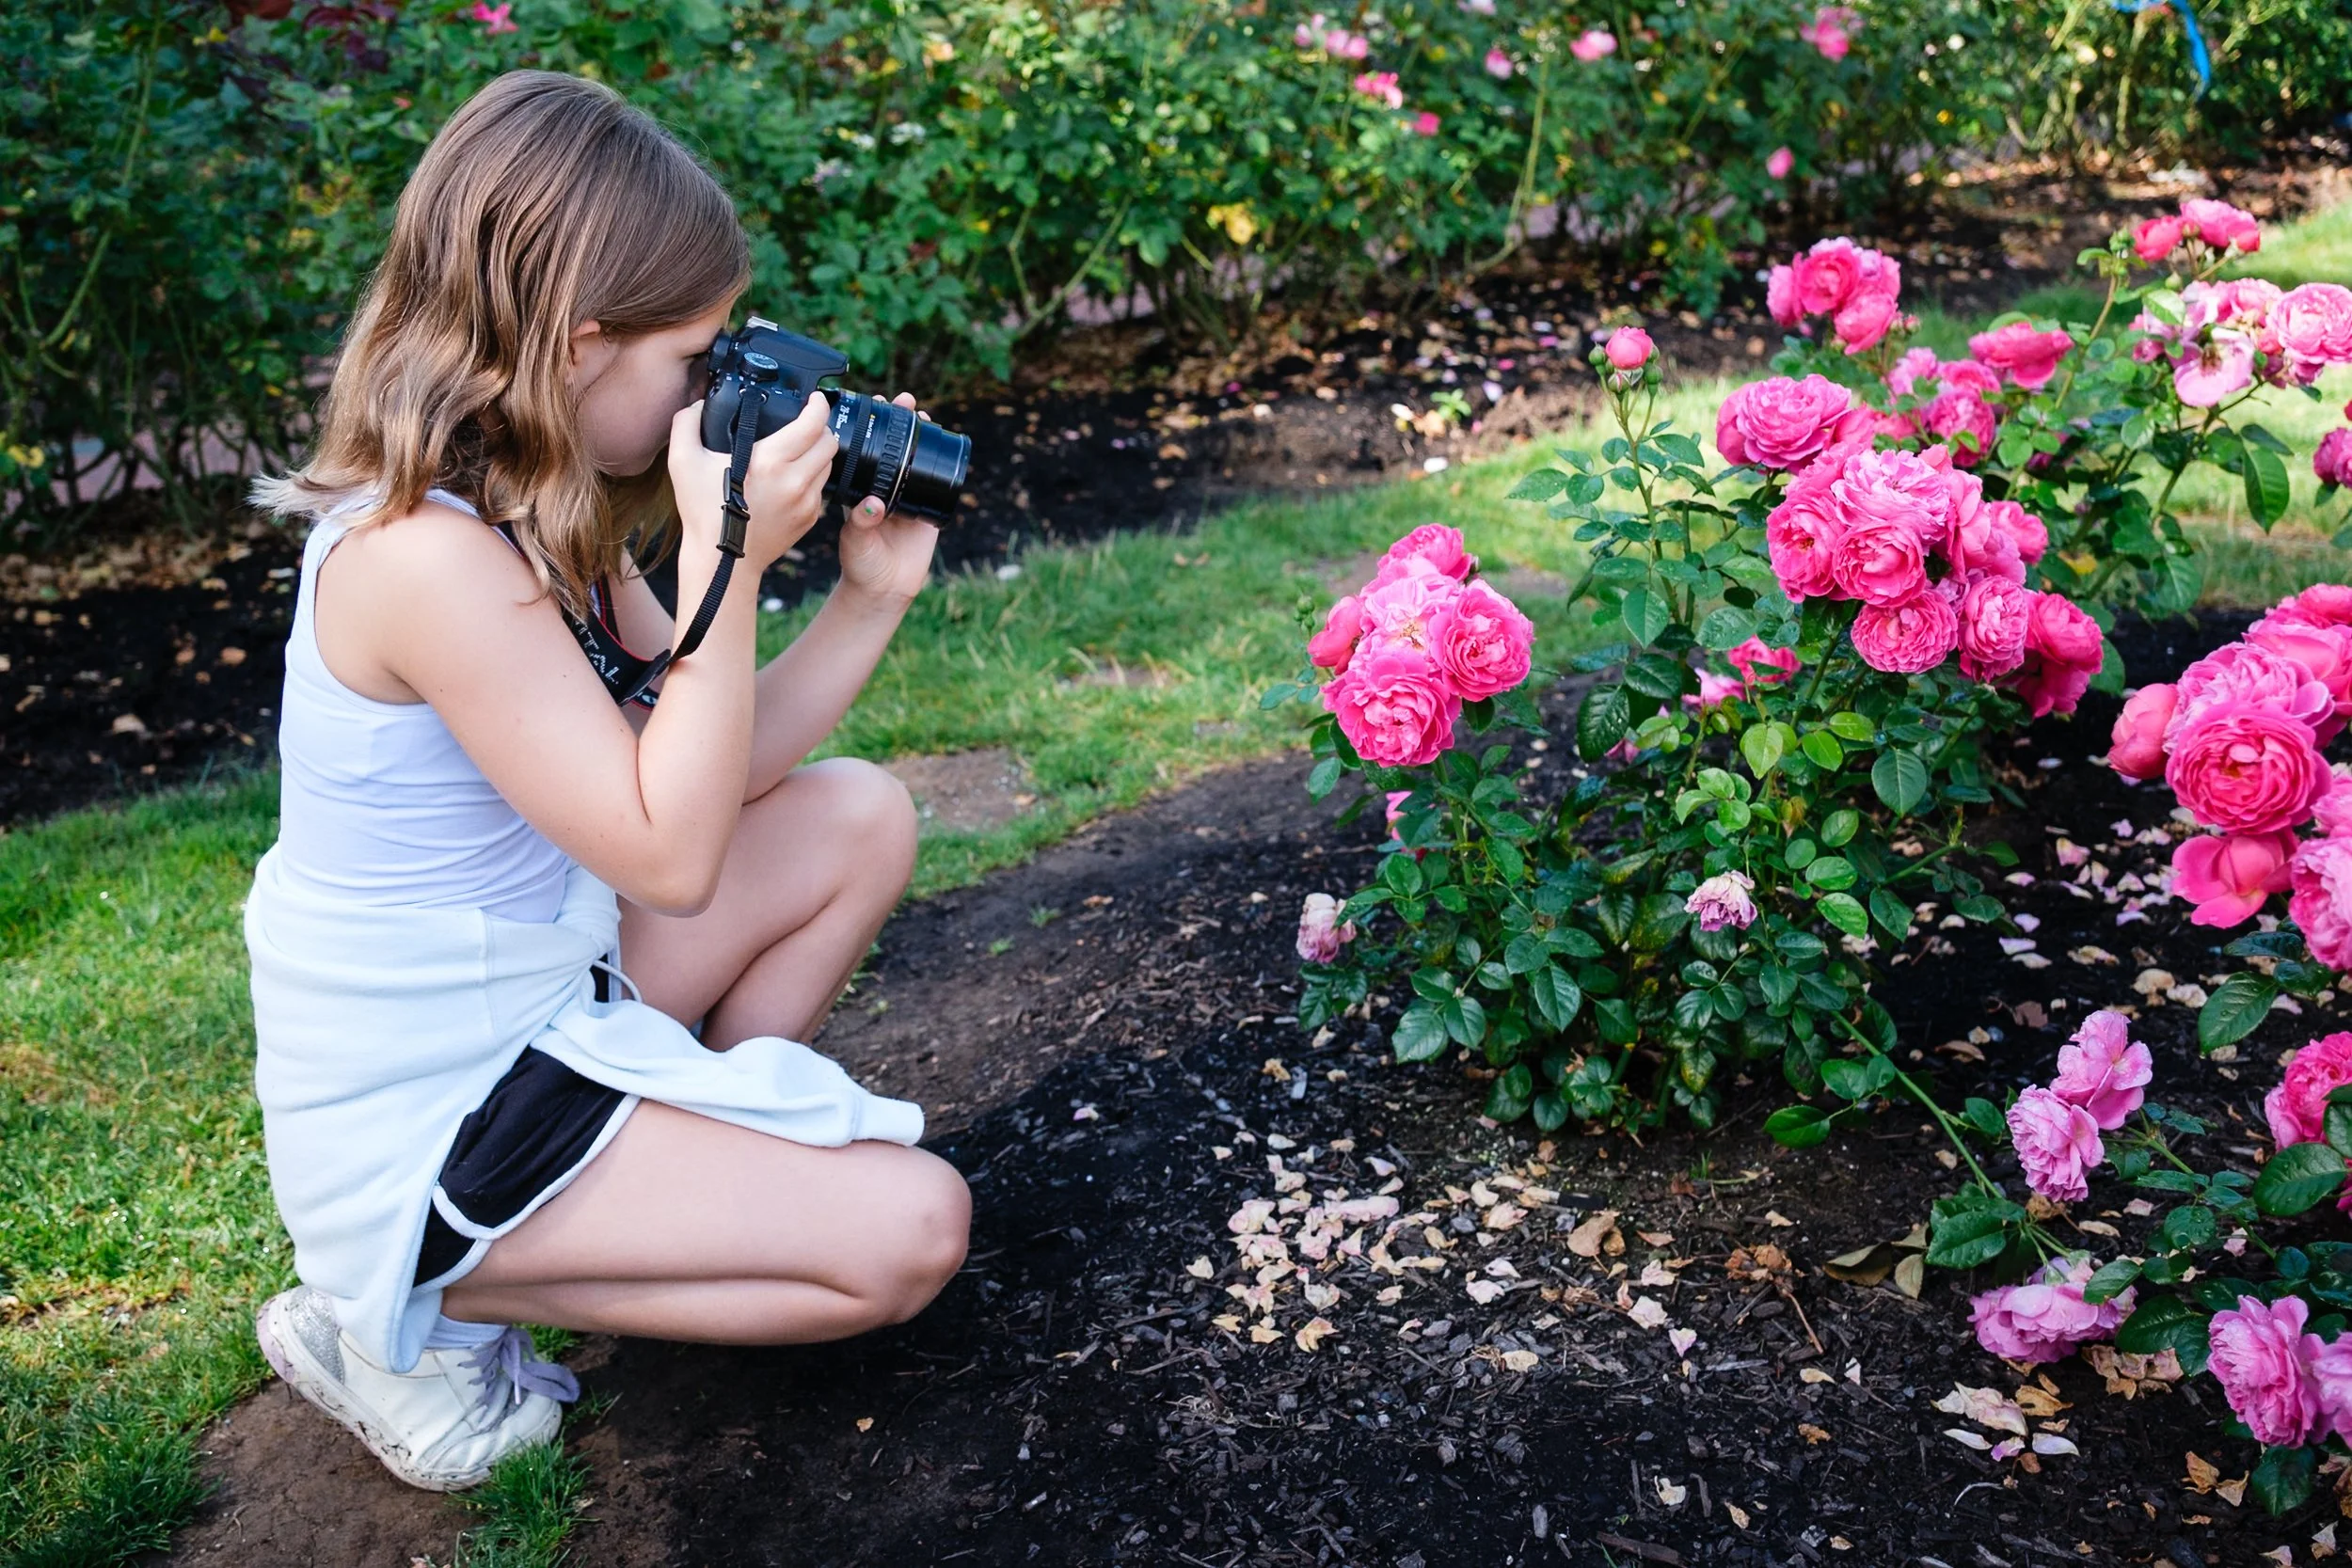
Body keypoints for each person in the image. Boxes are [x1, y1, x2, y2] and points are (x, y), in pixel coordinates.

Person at [240, 69, 970, 1493]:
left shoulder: (535, 501)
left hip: (543, 990)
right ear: (579, 345)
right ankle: (398, 1315)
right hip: (440, 1107)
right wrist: (730, 556)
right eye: (692, 358)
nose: (712, 395)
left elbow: (722, 771)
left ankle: (685, 1191)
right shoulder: (422, 560)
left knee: (855, 815)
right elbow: (674, 856)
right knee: (910, 1230)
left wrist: (865, 596)